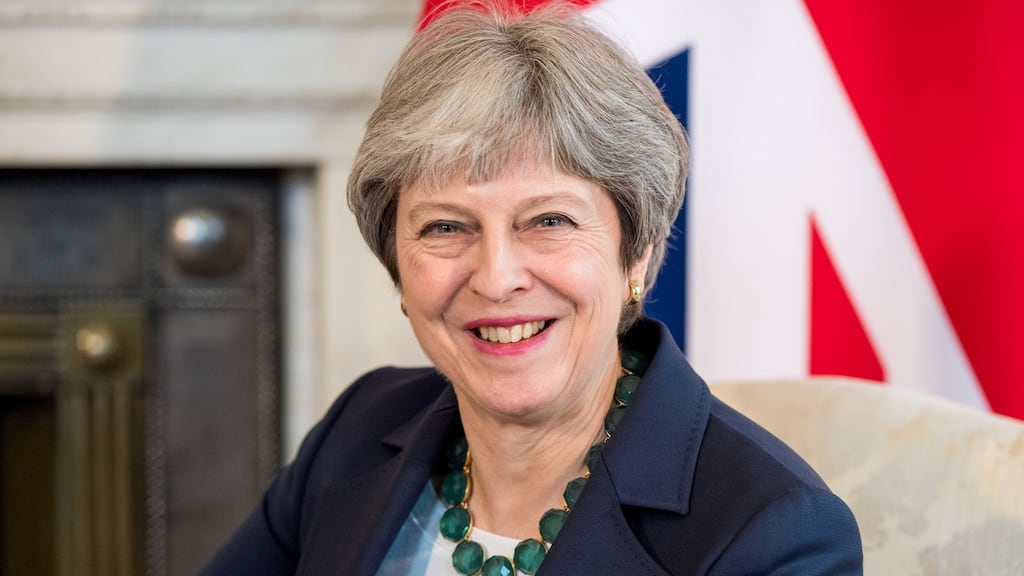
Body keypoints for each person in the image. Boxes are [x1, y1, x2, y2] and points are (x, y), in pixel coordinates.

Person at [202, 2, 863, 574]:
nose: (496, 277)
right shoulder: (359, 430)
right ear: (398, 268)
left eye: (548, 221)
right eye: (444, 227)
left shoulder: (771, 531)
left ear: (638, 252)